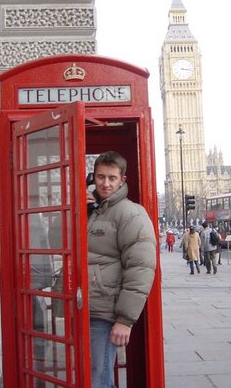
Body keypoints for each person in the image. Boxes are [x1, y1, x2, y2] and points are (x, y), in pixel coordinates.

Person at [86, 151, 157, 387]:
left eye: (112, 178)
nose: (105, 183)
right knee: (92, 377)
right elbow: (55, 241)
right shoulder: (89, 209)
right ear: (92, 177)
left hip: (104, 312)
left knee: (99, 379)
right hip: (79, 305)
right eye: (100, 177)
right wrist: (75, 210)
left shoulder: (131, 213)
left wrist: (125, 320)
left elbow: (141, 268)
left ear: (122, 180)